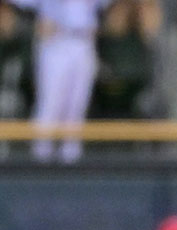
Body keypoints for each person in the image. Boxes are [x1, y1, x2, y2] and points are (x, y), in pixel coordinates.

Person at [11, 0, 112, 162]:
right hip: (55, 41)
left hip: (84, 41)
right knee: (50, 104)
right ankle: (41, 158)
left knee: (77, 107)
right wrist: (32, 24)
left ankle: (71, 159)